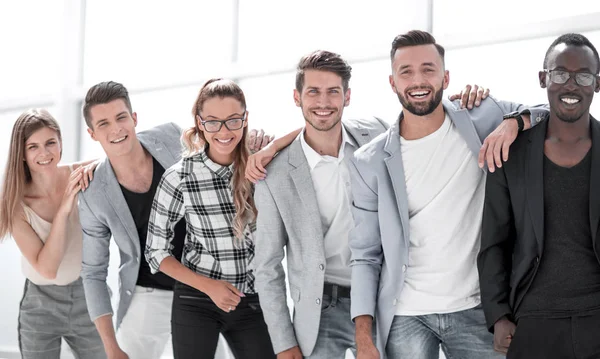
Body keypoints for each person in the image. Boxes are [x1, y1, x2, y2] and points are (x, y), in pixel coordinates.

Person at [347, 30, 549, 359]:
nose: (418, 80)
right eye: (406, 72)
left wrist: (513, 123)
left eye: (428, 69)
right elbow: (365, 255)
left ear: (446, 76)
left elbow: (546, 111)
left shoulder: (482, 116)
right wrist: (364, 337)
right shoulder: (368, 162)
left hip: (477, 308)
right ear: (392, 82)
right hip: (406, 316)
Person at [78, 81, 270, 359]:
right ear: (92, 133)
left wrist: (258, 140)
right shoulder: (94, 193)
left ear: (134, 118)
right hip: (148, 292)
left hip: (206, 287)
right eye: (104, 124)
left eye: (121, 117)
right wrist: (110, 346)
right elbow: (93, 272)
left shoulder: (169, 136)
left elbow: (218, 139)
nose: (116, 129)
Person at [251, 50, 389, 359]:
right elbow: (267, 266)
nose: (323, 102)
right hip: (320, 309)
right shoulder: (274, 175)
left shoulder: (376, 134)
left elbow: (422, 121)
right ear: (297, 97)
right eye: (313, 91)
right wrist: (283, 342)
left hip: (381, 298)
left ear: (347, 96)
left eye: (332, 92)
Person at [478, 33, 600, 359]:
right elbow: (494, 242)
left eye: (583, 75)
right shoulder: (511, 154)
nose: (571, 85)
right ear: (543, 78)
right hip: (532, 323)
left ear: (597, 84)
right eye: (560, 74)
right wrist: (498, 315)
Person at [145, 78, 276, 359]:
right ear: (200, 122)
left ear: (245, 120)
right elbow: (156, 252)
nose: (224, 131)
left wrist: (272, 148)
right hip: (197, 299)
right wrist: (210, 287)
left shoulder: (262, 165)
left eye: (233, 120)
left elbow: (304, 136)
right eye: (213, 121)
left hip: (254, 300)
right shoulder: (180, 175)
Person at [0, 109, 104, 359]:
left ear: (60, 144)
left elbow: (125, 154)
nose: (44, 153)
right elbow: (48, 269)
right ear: (22, 154)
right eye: (33, 146)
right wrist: (65, 208)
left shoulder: (82, 173)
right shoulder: (15, 204)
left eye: (50, 143)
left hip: (88, 296)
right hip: (40, 305)